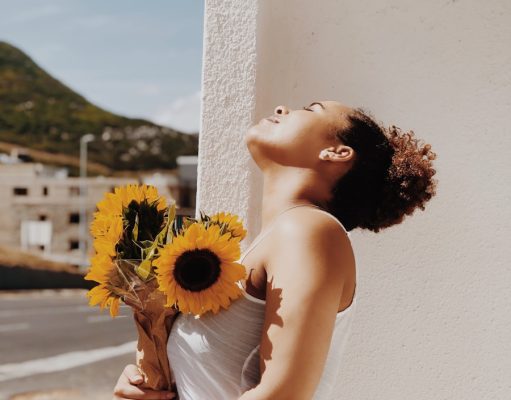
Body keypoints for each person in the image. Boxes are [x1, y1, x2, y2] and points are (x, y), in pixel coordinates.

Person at [112, 100, 437, 400]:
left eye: (311, 109)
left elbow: (283, 395)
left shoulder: (310, 230)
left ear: (337, 152)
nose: (282, 108)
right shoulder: (282, 238)